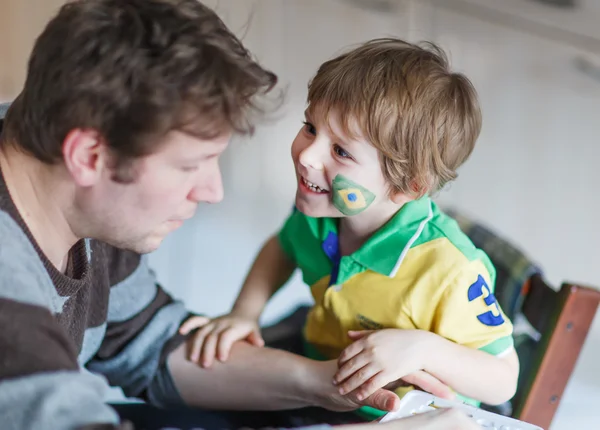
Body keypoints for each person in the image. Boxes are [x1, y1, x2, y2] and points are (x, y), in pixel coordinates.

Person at [0, 1, 483, 429]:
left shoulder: (82, 204)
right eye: (192, 165)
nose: (213, 190)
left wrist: (327, 382)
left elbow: (145, 344)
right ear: (88, 156)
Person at [184, 38, 520, 421]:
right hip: (321, 377)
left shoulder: (451, 270)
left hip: (394, 417)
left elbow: (503, 379)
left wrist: (423, 349)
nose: (307, 155)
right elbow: (282, 248)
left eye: (341, 151)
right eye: (310, 127)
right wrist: (245, 313)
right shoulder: (317, 217)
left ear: (407, 185)